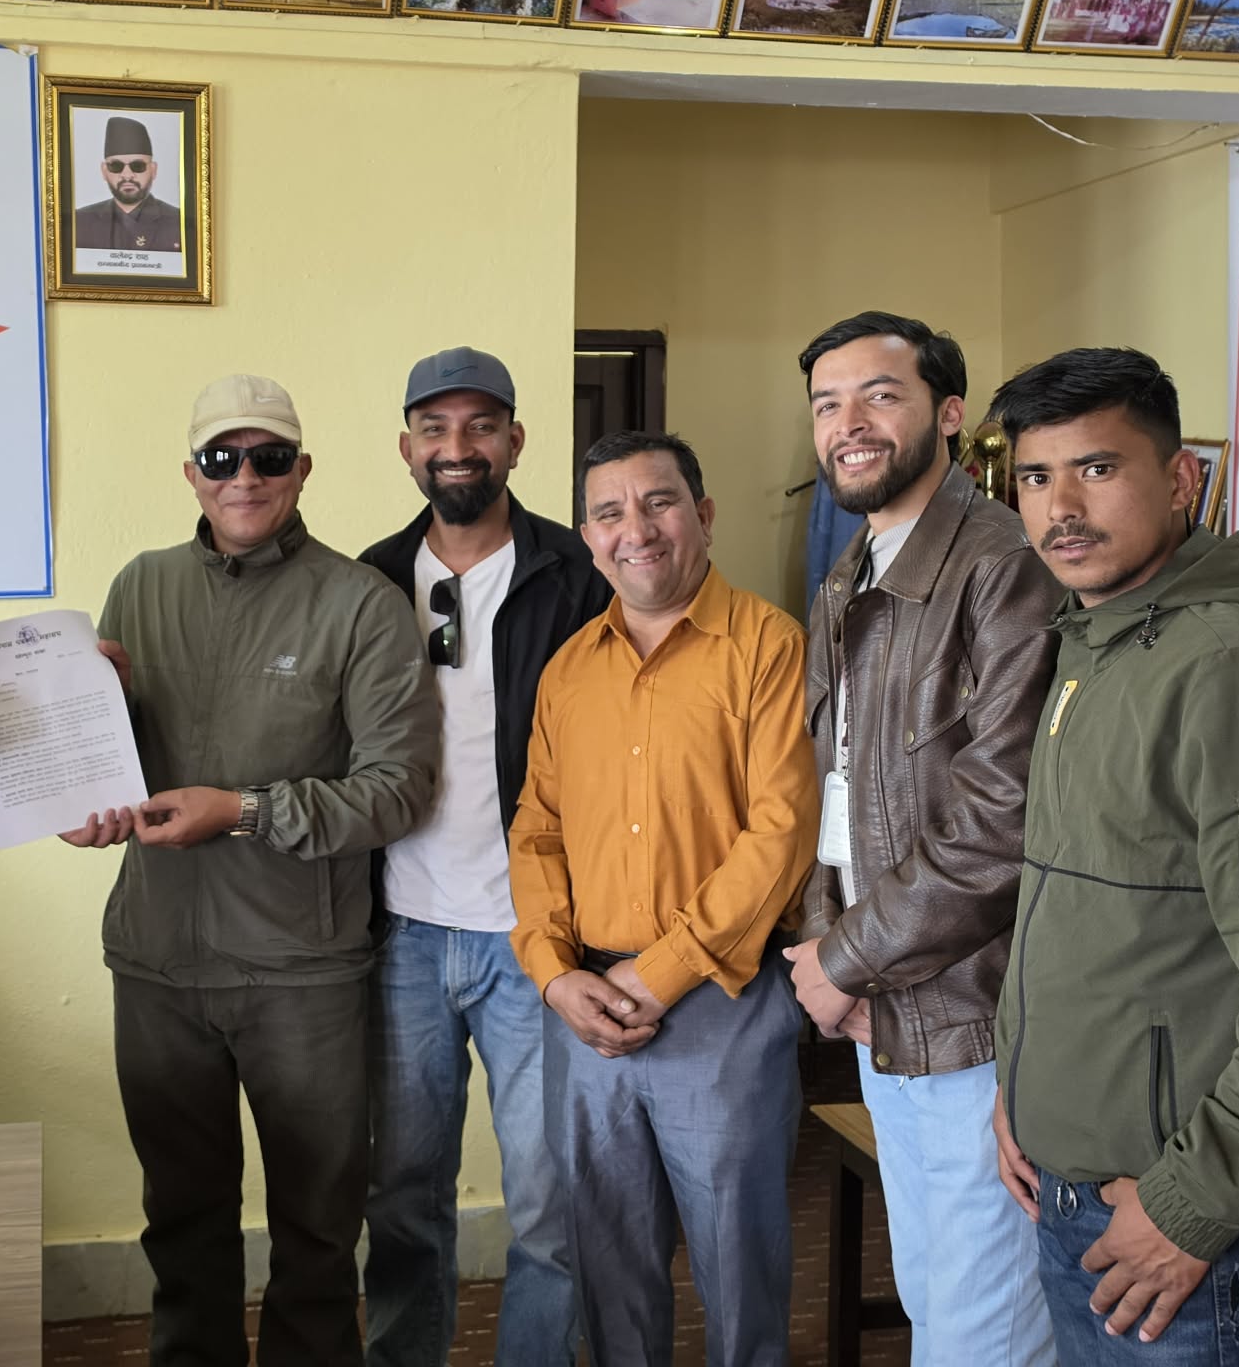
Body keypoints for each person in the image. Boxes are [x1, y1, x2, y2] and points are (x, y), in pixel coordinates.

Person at [988, 347, 1239, 1363]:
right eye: (1035, 477)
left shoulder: (1234, 669)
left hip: (1189, 1230)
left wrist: (1188, 1205)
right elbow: (1087, 922)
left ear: (1179, 479)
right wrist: (1026, 1089)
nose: (1061, 508)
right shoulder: (1095, 643)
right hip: (1078, 1196)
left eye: (1097, 469)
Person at [63, 374, 437, 1367]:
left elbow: (398, 791)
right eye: (221, 458)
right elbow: (114, 764)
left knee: (318, 1229)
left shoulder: (358, 603)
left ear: (301, 470)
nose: (244, 477)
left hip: (301, 974)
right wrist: (82, 793)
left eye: (268, 457)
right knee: (181, 1223)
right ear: (190, 473)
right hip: (156, 963)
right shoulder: (139, 586)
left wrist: (244, 811)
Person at [783, 311, 1060, 1365]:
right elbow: (836, 794)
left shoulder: (1001, 564)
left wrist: (843, 959)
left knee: (987, 1330)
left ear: (949, 414)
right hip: (887, 1004)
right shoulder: (851, 569)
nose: (847, 423)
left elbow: (999, 826)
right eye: (827, 404)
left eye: (879, 395)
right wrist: (833, 956)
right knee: (935, 1301)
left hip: (975, 1018)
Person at [509, 429, 819, 1367]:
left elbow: (782, 833)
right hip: (586, 1011)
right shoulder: (569, 670)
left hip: (724, 1004)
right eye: (609, 513)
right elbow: (538, 830)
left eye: (659, 503)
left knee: (739, 1271)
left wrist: (662, 972)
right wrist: (552, 973)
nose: (635, 530)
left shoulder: (769, 646)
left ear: (704, 515)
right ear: (587, 537)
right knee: (608, 1271)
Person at [357, 347, 608, 1367]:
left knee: (549, 1204)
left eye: (479, 425)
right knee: (400, 1198)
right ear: (406, 447)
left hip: (535, 942)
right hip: (401, 934)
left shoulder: (577, 573)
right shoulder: (368, 580)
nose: (456, 446)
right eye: (435, 428)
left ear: (514, 440)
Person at [73, 115, 181, 252]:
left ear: (153, 170)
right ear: (104, 171)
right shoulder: (79, 222)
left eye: (138, 166)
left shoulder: (178, 222)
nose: (127, 175)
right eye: (116, 166)